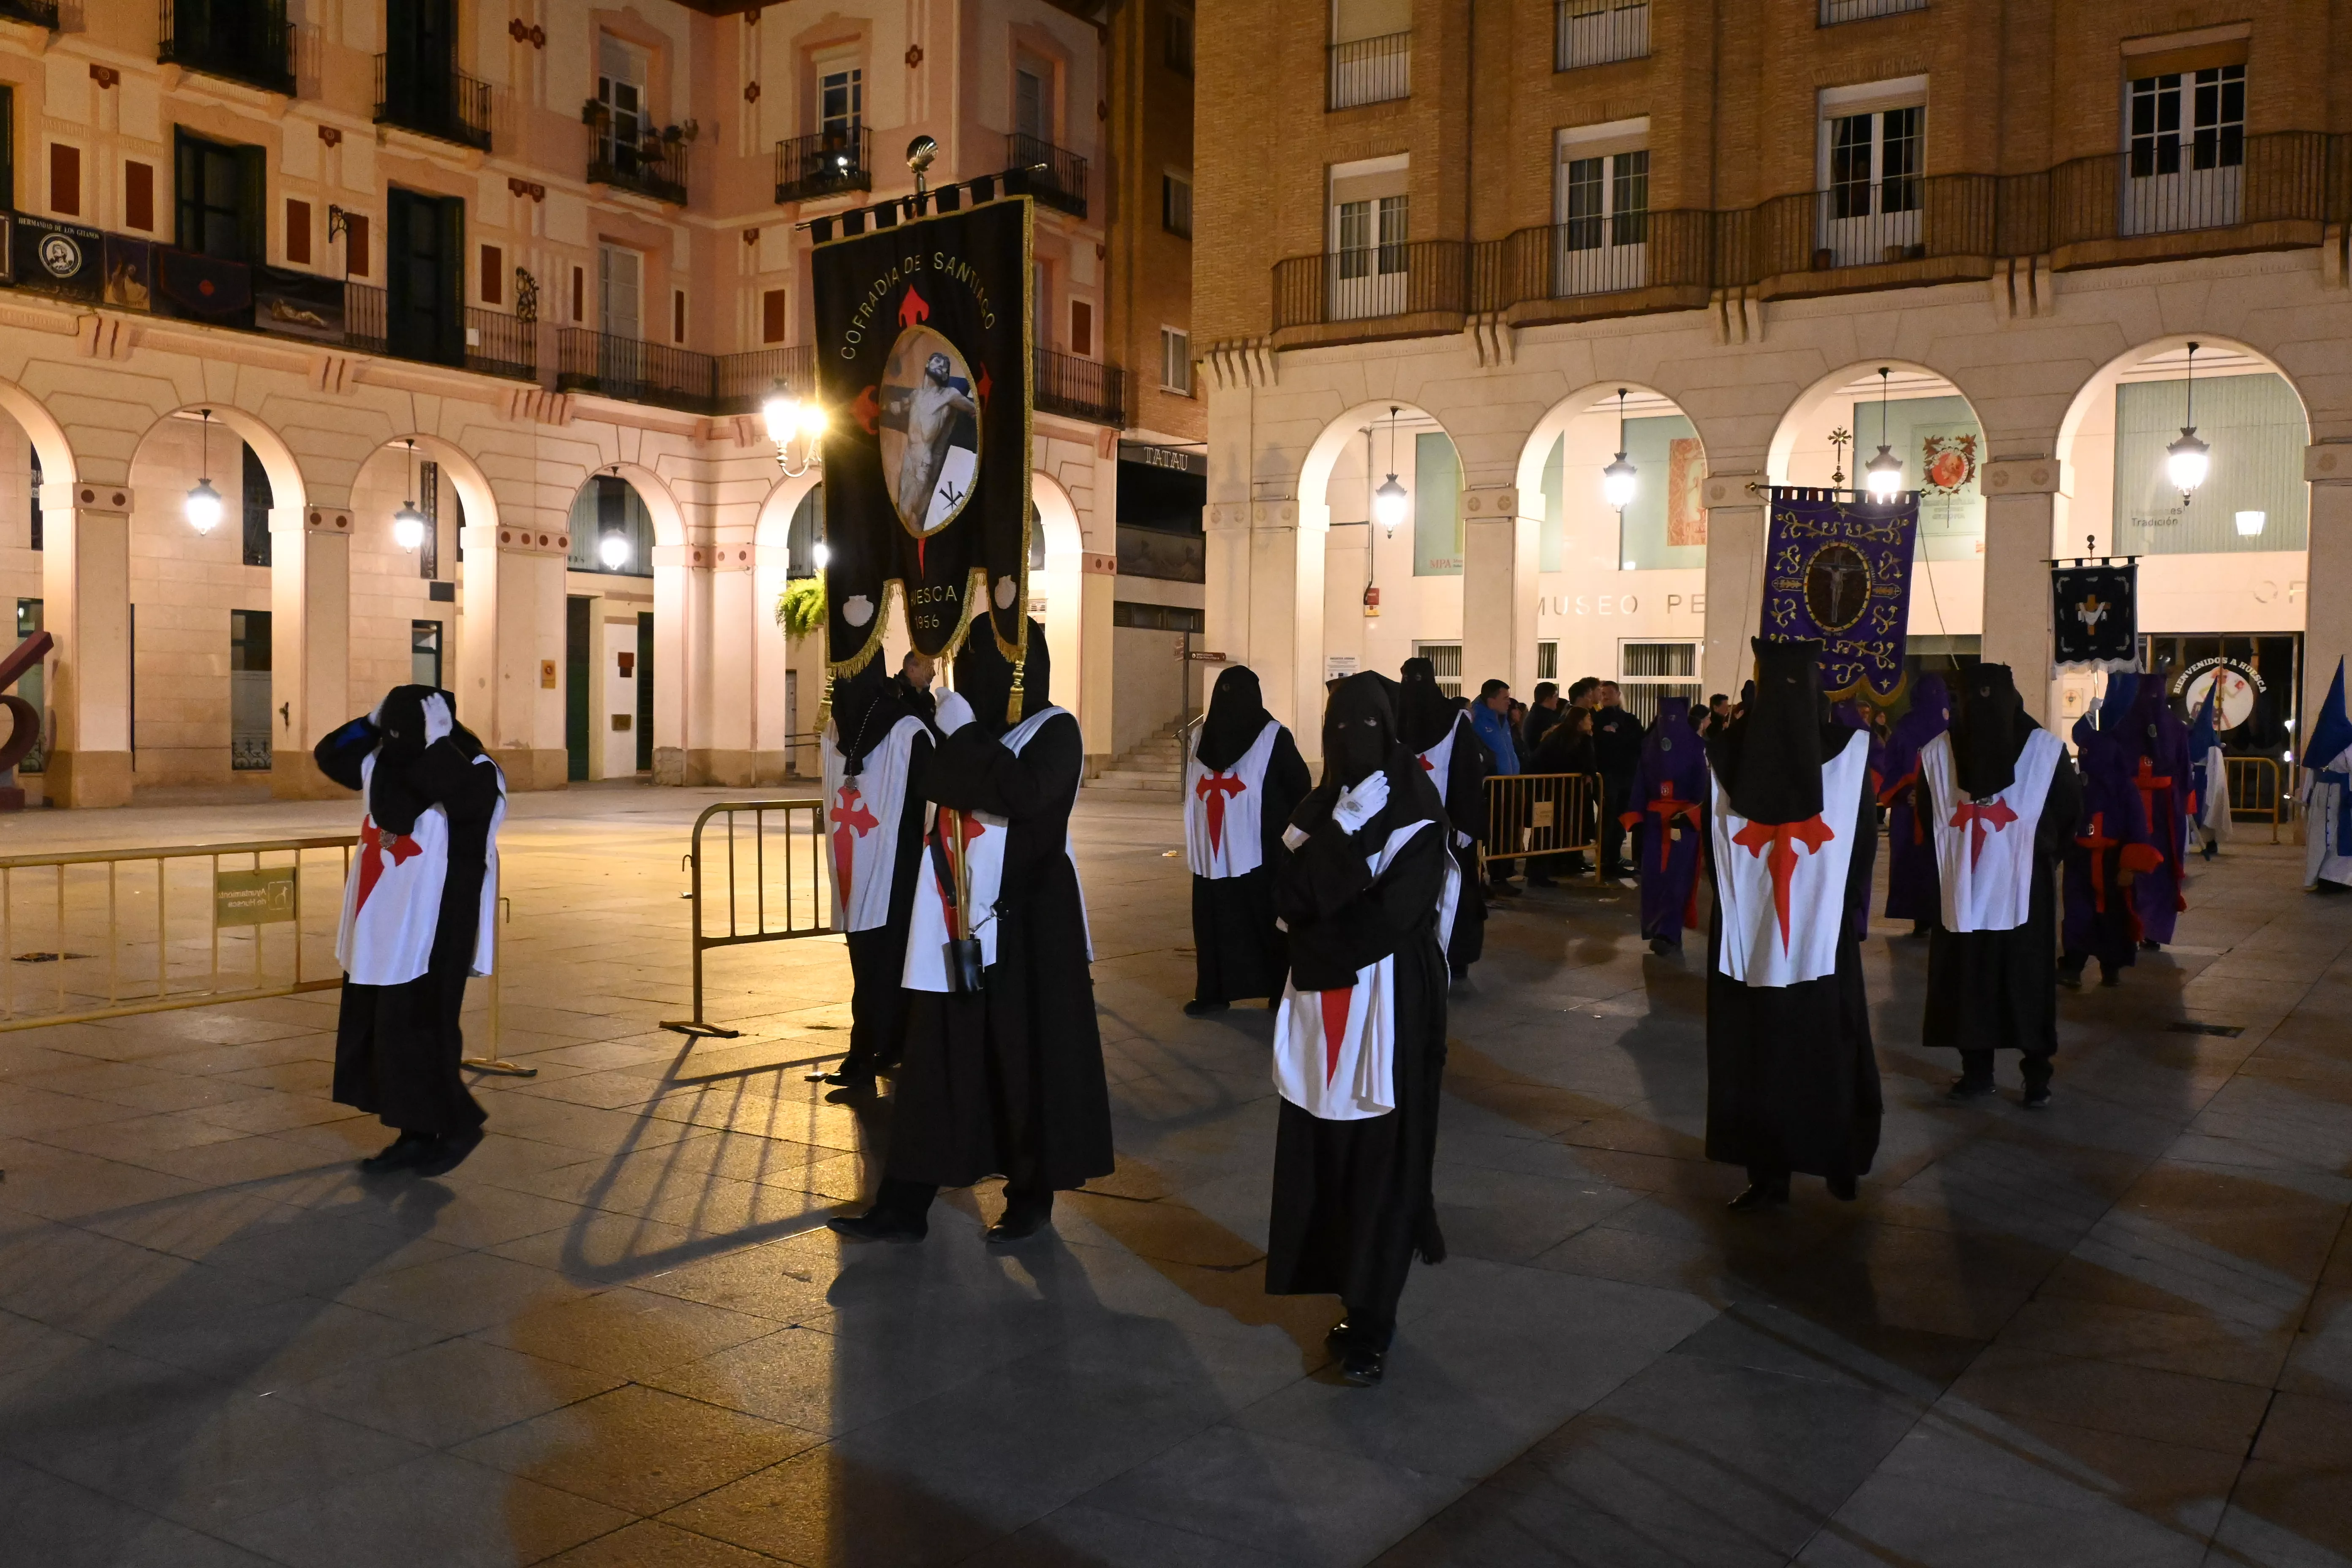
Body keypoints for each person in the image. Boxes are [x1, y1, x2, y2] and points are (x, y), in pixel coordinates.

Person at [829, 623, 1112, 1244]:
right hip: (954, 918)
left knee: (1023, 1060)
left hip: (1029, 928)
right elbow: (914, 762)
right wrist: (917, 691)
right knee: (934, 1063)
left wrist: (963, 733)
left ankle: (1030, 1195)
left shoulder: (1055, 731)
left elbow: (1021, 793)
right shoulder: (971, 731)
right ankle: (905, 1206)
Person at [1266, 672, 1452, 1387]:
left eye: (1365, 728)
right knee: (1328, 1151)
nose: (1353, 744)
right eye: (1338, 731)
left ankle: (1374, 1318)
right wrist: (1338, 834)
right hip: (1321, 1008)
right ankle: (1346, 1292)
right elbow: (1281, 897)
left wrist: (1312, 928)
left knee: (1382, 1156)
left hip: (1390, 1008)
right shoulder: (1318, 808)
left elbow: (1392, 917)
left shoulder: (1417, 811)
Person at [1703, 639, 1881, 1212]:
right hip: (1821, 936)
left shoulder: (1724, 755)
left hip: (1749, 939)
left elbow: (1718, 855)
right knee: (1828, 1044)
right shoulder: (1850, 755)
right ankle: (1835, 1161)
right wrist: (1844, 909)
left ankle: (1771, 1175)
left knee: (1758, 1051)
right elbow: (1860, 851)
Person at [314, 686, 506, 1177]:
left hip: (435, 923)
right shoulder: (385, 759)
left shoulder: (477, 768)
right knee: (387, 1031)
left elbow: (466, 812)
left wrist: (439, 747)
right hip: (382, 920)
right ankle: (414, 1133)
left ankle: (456, 1126)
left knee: (424, 1028)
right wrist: (369, 721)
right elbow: (330, 755)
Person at [1918, 665, 2081, 1107]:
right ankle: (2037, 1077)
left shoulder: (1939, 753)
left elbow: (1926, 813)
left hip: (1965, 889)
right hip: (2025, 888)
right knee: (2024, 980)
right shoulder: (2047, 750)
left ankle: (1978, 1072)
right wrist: (2037, 849)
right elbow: (2069, 811)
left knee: (1971, 979)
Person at [819, 660, 934, 1091]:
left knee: (878, 962)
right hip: (868, 864)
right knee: (875, 960)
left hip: (892, 866)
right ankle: (887, 1044)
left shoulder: (905, 730)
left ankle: (865, 1054)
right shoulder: (840, 730)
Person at [1183, 665, 1312, 1015]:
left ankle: (1272, 990)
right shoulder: (1202, 738)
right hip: (1226, 849)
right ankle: (1214, 991)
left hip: (1259, 848)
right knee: (1227, 921)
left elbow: (1298, 786)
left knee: (1259, 918)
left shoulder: (1271, 736)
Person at [1396, 657, 1488, 976]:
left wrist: (1465, 822)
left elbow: (1467, 771)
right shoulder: (1396, 718)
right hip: (1412, 826)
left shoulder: (1454, 720)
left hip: (1443, 824)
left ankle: (1454, 954)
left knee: (1452, 888)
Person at [2061, 710, 2162, 988]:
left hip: (2113, 863)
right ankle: (2073, 965)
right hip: (2080, 861)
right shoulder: (2079, 785)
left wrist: (2129, 866)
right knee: (2078, 912)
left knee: (2114, 915)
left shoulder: (2124, 789)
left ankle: (2112, 966)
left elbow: (2136, 826)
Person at [2110, 673, 2193, 950]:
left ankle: (2137, 926)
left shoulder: (2120, 726)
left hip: (2139, 806)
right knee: (2152, 865)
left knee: (2138, 862)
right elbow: (2184, 772)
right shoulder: (2177, 728)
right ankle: (2150, 929)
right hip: (2164, 808)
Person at [1620, 696, 1708, 954]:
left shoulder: (1690, 747)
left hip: (1681, 823)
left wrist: (1692, 813)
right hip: (1658, 823)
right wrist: (1636, 814)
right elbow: (1641, 782)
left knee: (1677, 877)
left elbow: (1702, 790)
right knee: (1655, 877)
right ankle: (1659, 928)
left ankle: (1669, 931)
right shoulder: (1652, 746)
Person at [1879, 674, 1950, 937]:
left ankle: (1925, 917)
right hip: (1927, 811)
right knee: (1928, 862)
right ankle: (1932, 917)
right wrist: (1910, 792)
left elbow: (1891, 766)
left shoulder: (1908, 727)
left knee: (1929, 861)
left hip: (1929, 809)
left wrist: (1911, 793)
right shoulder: (1947, 726)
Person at [1466, 679, 1523, 896]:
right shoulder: (1477, 719)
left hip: (1509, 783)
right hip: (1491, 785)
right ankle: (1486, 878)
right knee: (1492, 832)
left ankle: (1501, 876)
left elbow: (1508, 750)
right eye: (1505, 698)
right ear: (1491, 700)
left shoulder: (1502, 719)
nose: (1509, 702)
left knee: (1506, 831)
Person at [2302, 659, 2351, 894]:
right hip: (2342, 794)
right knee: (2337, 838)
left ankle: (2319, 876)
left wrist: (2306, 798)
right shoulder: (2346, 741)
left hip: (2324, 793)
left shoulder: (2320, 739)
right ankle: (2335, 879)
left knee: (2322, 838)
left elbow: (2312, 772)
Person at [1589, 681, 1642, 885]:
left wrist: (1616, 735)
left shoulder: (1629, 719)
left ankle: (1615, 856)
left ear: (1618, 694)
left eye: (1609, 693)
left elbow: (1637, 741)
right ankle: (1605, 860)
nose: (1605, 696)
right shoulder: (1596, 718)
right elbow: (1600, 744)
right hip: (1608, 776)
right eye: (1602, 693)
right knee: (1608, 818)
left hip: (1626, 776)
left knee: (1621, 817)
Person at [2185, 682, 2231, 861]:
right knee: (2197, 810)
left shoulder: (2207, 740)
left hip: (2204, 780)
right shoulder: (2193, 734)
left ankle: (2208, 842)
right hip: (2197, 778)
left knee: (2206, 811)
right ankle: (2195, 841)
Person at [893, 649, 938, 727]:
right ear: (912, 670)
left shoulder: (929, 698)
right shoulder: (895, 696)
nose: (933, 674)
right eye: (928, 668)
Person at [1521, 681, 1565, 755]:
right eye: (1556, 696)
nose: (1558, 699)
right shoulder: (1542, 719)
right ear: (1547, 699)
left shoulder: (1537, 714)